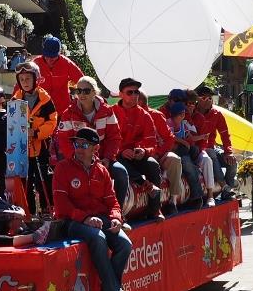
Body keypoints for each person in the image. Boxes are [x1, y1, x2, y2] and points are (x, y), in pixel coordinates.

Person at [51, 127, 142, 291]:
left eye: (84, 145)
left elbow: (112, 201)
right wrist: (85, 218)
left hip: (100, 219)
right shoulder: (62, 168)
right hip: (71, 221)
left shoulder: (102, 170)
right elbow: (61, 205)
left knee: (125, 244)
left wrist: (116, 218)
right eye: (77, 144)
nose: (79, 148)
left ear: (95, 148)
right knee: (98, 237)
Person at [55, 75, 130, 208]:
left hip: (102, 158)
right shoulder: (68, 114)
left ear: (95, 92)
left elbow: (115, 138)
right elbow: (64, 141)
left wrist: (107, 158)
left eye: (86, 91)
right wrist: (77, 159)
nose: (82, 94)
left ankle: (118, 213)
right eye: (79, 91)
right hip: (76, 160)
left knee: (121, 173)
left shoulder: (107, 111)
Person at [111, 78, 163, 216]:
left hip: (136, 157)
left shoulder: (145, 115)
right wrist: (121, 151)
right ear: (121, 94)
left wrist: (144, 151)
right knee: (119, 165)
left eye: (136, 92)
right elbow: (106, 141)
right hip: (116, 155)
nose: (134, 95)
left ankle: (155, 209)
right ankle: (119, 214)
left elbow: (153, 144)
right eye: (130, 92)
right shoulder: (110, 112)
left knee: (153, 164)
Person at [12, 62, 58, 215]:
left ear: (36, 79)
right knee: (25, 180)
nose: (25, 82)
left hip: (40, 146)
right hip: (22, 147)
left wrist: (37, 132)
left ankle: (46, 208)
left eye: (28, 79)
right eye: (22, 79)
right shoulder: (15, 99)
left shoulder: (45, 99)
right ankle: (28, 211)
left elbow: (52, 121)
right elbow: (11, 121)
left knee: (42, 178)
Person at [139, 90, 184, 215]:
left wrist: (159, 152)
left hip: (158, 154)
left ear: (141, 102)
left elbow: (169, 138)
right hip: (140, 156)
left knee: (175, 159)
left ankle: (173, 201)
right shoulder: (128, 115)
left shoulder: (157, 115)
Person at [190, 84, 236, 201]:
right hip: (197, 149)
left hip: (212, 148)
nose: (208, 101)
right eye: (204, 98)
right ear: (197, 99)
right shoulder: (190, 112)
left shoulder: (217, 114)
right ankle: (223, 186)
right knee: (211, 153)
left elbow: (225, 135)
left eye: (210, 98)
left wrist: (228, 152)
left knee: (232, 162)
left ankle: (227, 189)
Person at [166, 101, 208, 209]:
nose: (184, 114)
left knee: (192, 158)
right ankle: (197, 195)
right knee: (188, 165)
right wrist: (184, 142)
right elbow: (170, 137)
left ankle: (197, 194)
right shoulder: (169, 123)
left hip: (182, 151)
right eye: (183, 113)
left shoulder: (183, 125)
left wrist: (202, 137)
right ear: (179, 114)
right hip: (172, 151)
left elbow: (190, 138)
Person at [33, 35, 84, 117]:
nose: (49, 60)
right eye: (47, 56)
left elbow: (82, 80)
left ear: (59, 53)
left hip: (62, 111)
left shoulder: (66, 63)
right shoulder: (35, 63)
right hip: (41, 111)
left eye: (53, 57)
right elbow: (21, 83)